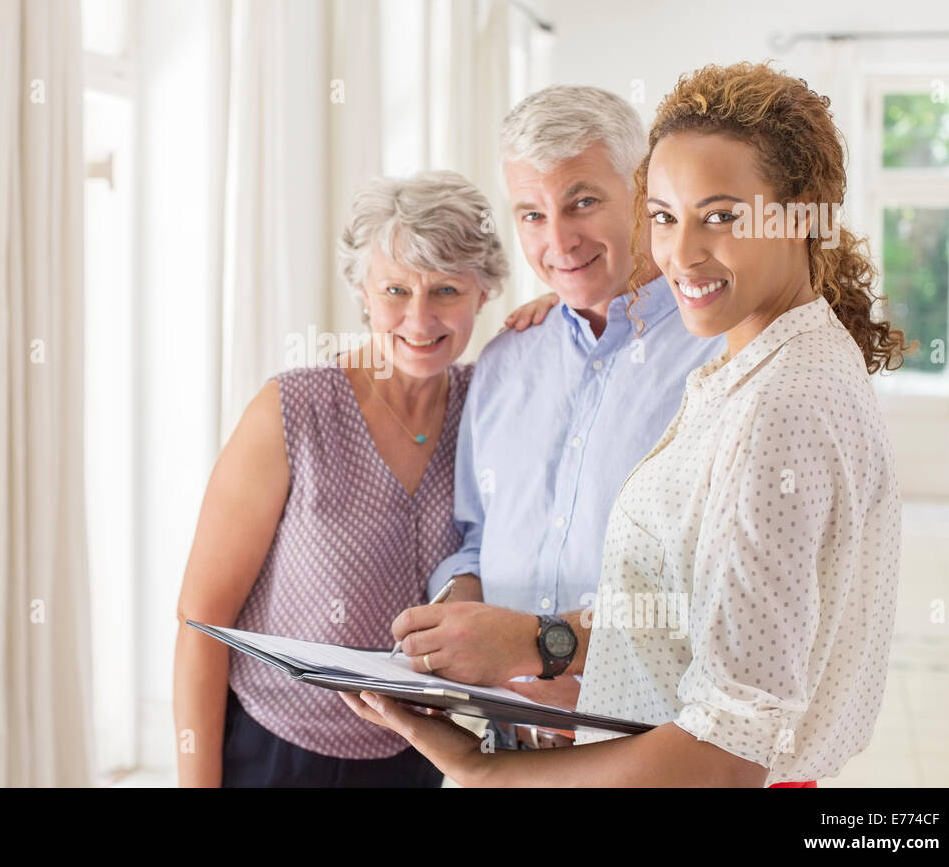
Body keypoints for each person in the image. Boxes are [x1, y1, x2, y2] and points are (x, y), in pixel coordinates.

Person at [342, 61, 911, 786]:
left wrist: (528, 669)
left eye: (722, 216)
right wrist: (474, 641)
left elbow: (730, 735)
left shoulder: (756, 375)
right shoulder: (521, 357)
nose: (558, 239)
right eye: (671, 216)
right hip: (531, 743)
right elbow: (494, 537)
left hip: (647, 762)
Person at [173, 170, 559, 787]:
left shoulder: (489, 406)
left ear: (485, 292)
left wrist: (560, 309)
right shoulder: (291, 410)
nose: (419, 317)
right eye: (396, 290)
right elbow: (200, 620)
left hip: (419, 751)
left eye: (447, 290)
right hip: (274, 747)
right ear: (362, 291)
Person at [386, 86, 724, 751]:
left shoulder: (719, 355)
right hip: (507, 743)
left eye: (583, 202)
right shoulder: (507, 360)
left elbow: (728, 587)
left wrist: (580, 665)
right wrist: (459, 604)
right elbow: (479, 535)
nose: (558, 240)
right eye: (532, 215)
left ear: (643, 189)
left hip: (653, 747)